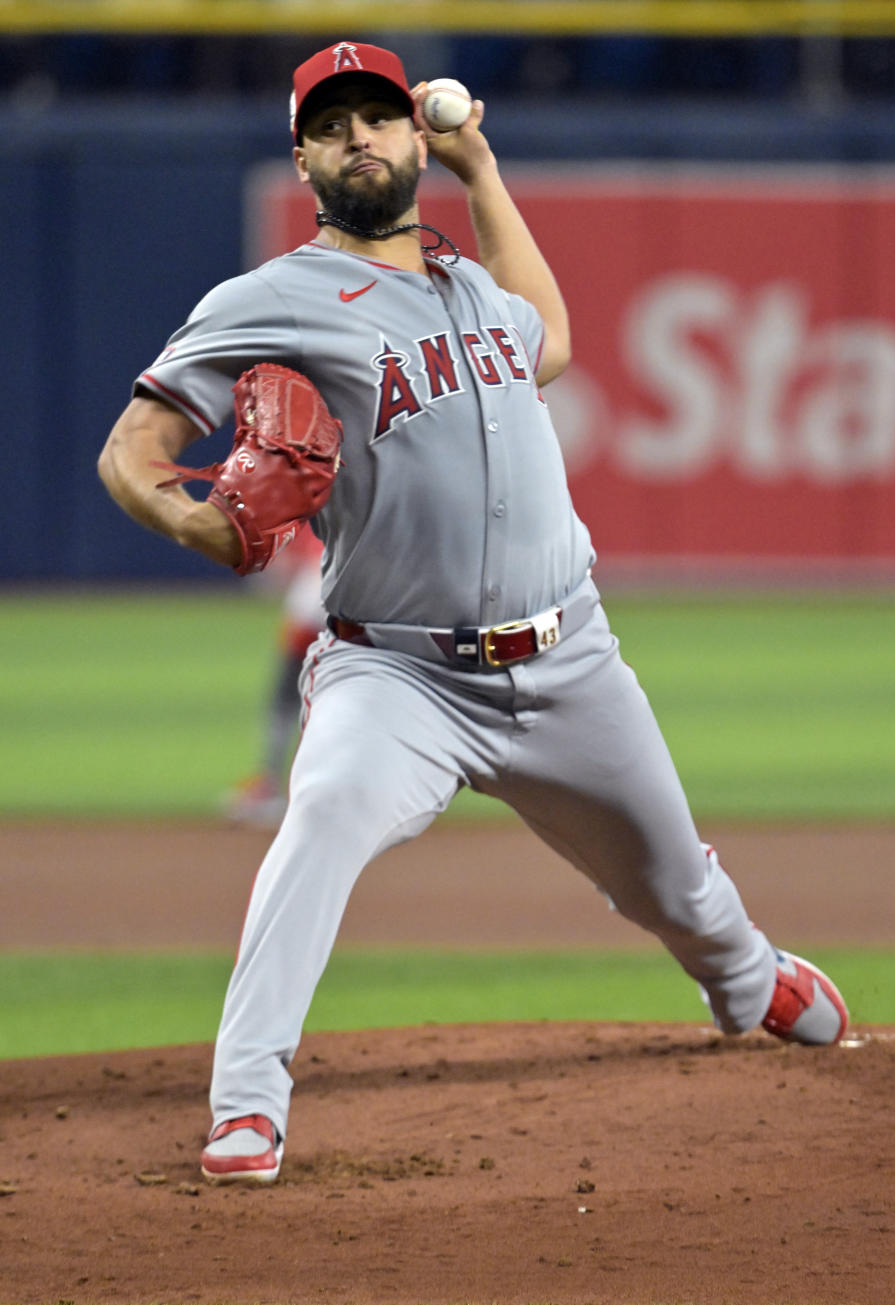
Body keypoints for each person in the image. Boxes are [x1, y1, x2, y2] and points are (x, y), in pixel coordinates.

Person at [98, 39, 849, 1186]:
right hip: (394, 676)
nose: (362, 138)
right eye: (335, 123)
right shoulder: (268, 300)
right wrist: (202, 525)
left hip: (568, 664)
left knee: (675, 887)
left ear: (415, 138)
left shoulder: (468, 286)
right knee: (321, 824)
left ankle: (749, 980)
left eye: (381, 119)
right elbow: (133, 451)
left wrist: (483, 168)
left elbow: (549, 336)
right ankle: (248, 1103)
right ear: (303, 156)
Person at [221, 527, 327, 828]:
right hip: (358, 615)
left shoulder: (309, 509)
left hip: (312, 610)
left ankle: (269, 790)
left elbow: (276, 573)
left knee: (285, 703)